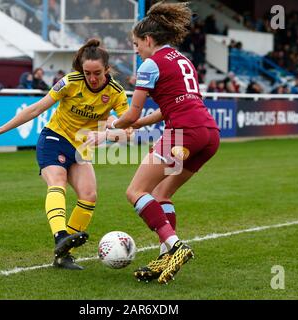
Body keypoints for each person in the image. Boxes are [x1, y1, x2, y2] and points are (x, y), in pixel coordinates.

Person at [0, 39, 130, 270]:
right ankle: (60, 237)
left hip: (80, 148)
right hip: (54, 138)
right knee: (57, 181)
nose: (92, 78)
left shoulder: (116, 93)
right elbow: (37, 108)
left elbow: (128, 132)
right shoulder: (70, 82)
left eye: (97, 73)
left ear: (107, 69)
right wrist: (1, 128)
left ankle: (64, 256)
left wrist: (107, 135)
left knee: (89, 195)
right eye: (87, 73)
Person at [106, 2, 220, 284]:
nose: (135, 50)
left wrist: (114, 124)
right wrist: (138, 124)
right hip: (208, 133)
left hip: (183, 132)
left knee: (135, 191)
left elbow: (132, 112)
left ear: (148, 39)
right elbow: (170, 106)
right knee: (161, 194)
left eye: (136, 44)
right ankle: (165, 257)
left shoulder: (150, 64)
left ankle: (176, 247)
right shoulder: (183, 60)